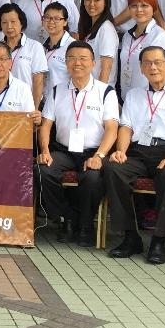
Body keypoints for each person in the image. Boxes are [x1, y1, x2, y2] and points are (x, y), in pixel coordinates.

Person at [103, 46, 165, 264]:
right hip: (139, 150)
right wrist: (121, 151)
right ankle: (130, 236)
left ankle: (158, 240)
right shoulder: (135, 94)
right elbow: (126, 128)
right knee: (113, 168)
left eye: (157, 62)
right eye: (147, 63)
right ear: (141, 68)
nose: (152, 67)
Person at [37, 41, 120, 246]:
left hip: (94, 151)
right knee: (42, 170)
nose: (77, 63)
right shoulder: (57, 91)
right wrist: (45, 151)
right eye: (72, 58)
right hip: (64, 151)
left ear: (93, 63)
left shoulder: (106, 92)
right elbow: (46, 125)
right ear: (66, 63)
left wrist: (99, 156)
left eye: (83, 58)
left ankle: (85, 224)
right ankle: (67, 217)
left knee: (92, 179)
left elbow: (112, 129)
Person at [117, 0, 165, 95]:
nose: (139, 10)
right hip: (127, 97)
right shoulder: (127, 36)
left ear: (153, 8)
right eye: (134, 6)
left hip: (149, 99)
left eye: (144, 5)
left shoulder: (161, 37)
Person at [0, 3, 47, 109]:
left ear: (21, 22)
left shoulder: (34, 46)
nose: (9, 26)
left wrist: (34, 109)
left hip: (25, 104)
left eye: (13, 22)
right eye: (4, 22)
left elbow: (38, 81)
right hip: (1, 105)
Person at [77, 0, 118, 84]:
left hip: (99, 91)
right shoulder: (90, 28)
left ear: (105, 2)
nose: (91, 4)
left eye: (97, 0)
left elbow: (106, 68)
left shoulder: (106, 29)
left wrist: (99, 95)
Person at [41, 2, 74, 94]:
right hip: (45, 101)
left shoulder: (73, 47)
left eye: (56, 18)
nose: (51, 22)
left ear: (65, 22)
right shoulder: (41, 47)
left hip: (64, 100)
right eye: (47, 17)